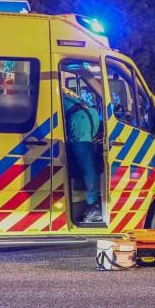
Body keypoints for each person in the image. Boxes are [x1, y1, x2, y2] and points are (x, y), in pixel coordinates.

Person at [63, 87, 103, 223]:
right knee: (87, 160)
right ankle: (93, 201)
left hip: (79, 119)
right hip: (89, 114)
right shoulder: (62, 90)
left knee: (87, 163)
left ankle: (95, 205)